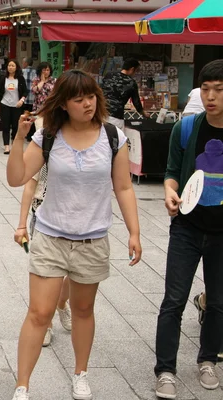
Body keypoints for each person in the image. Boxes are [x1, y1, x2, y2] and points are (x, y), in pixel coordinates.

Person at [6, 69, 142, 400]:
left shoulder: (114, 137)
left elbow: (123, 187)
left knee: (82, 311)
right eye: (79, 99)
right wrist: (20, 138)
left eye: (91, 97)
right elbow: (17, 177)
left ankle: (80, 373)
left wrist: (134, 232)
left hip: (92, 239)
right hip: (51, 237)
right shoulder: (48, 135)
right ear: (64, 104)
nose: (87, 104)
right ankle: (22, 386)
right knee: (39, 313)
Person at [155, 59, 223, 400]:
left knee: (219, 302)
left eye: (219, 90)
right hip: (187, 227)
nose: (210, 96)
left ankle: (208, 360)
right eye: (206, 89)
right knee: (174, 300)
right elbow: (170, 171)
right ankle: (165, 370)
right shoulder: (187, 127)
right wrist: (169, 190)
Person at [15, 164, 72, 347]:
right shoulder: (46, 139)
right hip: (44, 216)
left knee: (74, 270)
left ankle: (61, 302)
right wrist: (22, 224)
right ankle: (46, 322)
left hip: (79, 218)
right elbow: (30, 185)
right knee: (48, 273)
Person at [101, 58, 149, 130]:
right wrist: (144, 114)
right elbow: (136, 103)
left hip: (101, 114)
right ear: (132, 69)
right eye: (135, 71)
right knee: (117, 139)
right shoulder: (131, 83)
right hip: (116, 117)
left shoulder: (109, 75)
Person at [0, 60, 27, 155]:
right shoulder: (3, 79)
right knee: (5, 126)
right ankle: (6, 146)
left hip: (16, 106)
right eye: (9, 65)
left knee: (15, 126)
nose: (10, 67)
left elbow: (25, 92)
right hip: (5, 104)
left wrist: (21, 100)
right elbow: (0, 93)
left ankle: (14, 144)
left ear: (16, 67)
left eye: (12, 66)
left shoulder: (20, 79)